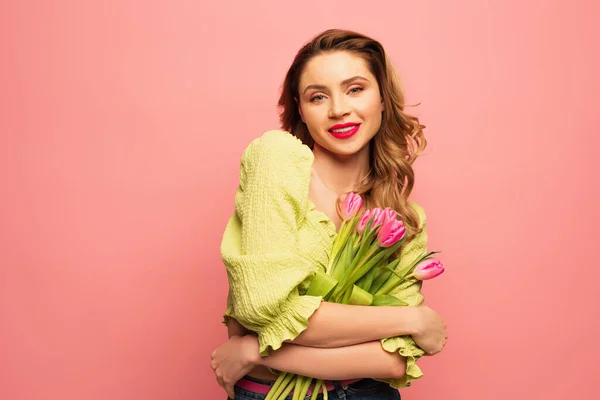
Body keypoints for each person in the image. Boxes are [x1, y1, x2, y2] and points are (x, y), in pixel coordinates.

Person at [210, 29, 447, 400]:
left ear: (383, 99)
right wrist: (412, 319)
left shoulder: (402, 216)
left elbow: (394, 361)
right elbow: (263, 309)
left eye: (355, 89)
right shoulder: (276, 159)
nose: (338, 109)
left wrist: (252, 351)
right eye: (318, 96)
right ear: (301, 110)